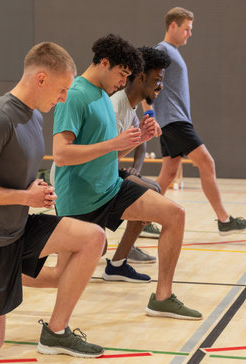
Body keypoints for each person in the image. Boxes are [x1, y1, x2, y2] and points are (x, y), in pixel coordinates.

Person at [0, 42, 107, 359]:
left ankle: (56, 334)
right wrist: (27, 196)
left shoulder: (33, 116)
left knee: (92, 239)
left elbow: (12, 175)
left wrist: (36, 188)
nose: (63, 99)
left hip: (17, 230)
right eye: (62, 90)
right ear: (41, 79)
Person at [53, 33, 202, 319]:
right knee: (59, 276)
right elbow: (61, 154)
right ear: (105, 63)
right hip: (79, 199)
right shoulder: (75, 95)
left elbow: (108, 153)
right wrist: (116, 143)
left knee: (175, 214)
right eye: (122, 74)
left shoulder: (102, 95)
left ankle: (162, 297)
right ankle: (4, 274)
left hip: (109, 189)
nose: (123, 81)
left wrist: (136, 139)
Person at [150, 6, 246, 235]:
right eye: (187, 29)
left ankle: (143, 220)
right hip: (174, 120)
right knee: (207, 162)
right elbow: (147, 81)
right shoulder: (162, 50)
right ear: (173, 25)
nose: (190, 34)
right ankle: (224, 220)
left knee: (169, 173)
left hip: (174, 120)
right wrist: (149, 114)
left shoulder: (172, 51)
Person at [111, 46, 171, 260]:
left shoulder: (131, 107)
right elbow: (106, 156)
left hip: (104, 170)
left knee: (153, 188)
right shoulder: (115, 106)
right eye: (157, 79)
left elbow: (140, 143)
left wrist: (135, 169)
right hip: (88, 179)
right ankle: (120, 256)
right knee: (150, 192)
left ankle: (122, 256)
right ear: (142, 77)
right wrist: (141, 137)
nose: (161, 86)